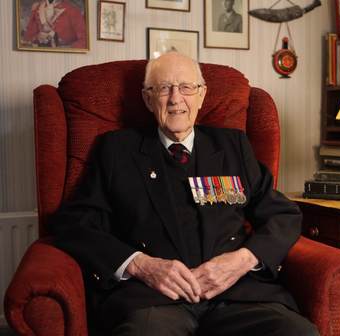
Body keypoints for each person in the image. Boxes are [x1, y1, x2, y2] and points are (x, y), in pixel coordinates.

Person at [50, 52, 318, 336]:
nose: (176, 99)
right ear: (147, 99)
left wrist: (242, 260)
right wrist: (141, 265)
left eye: (187, 87)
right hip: (153, 299)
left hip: (238, 295)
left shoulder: (232, 146)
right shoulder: (117, 150)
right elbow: (75, 223)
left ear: (202, 95)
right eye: (164, 88)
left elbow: (282, 214)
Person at [23, 0, 87, 48]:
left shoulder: (72, 10)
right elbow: (28, 37)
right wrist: (37, 38)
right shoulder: (37, 9)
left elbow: (84, 40)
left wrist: (65, 49)